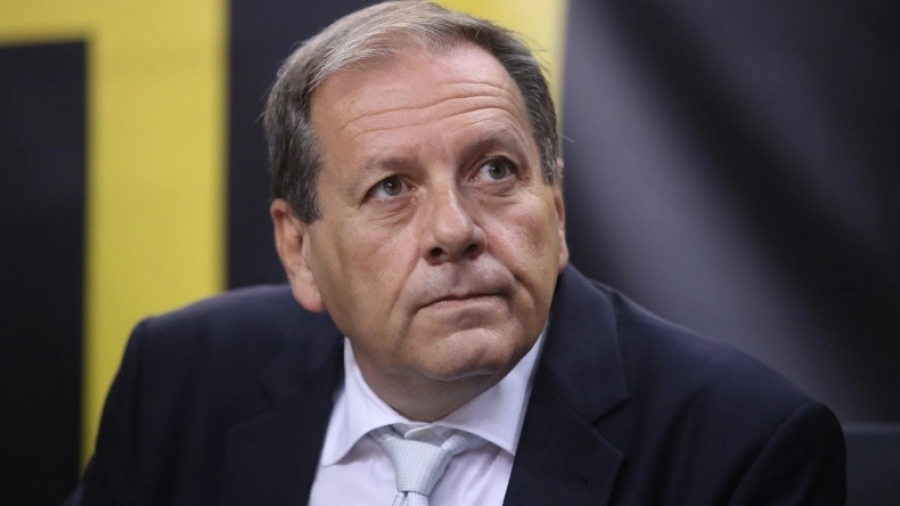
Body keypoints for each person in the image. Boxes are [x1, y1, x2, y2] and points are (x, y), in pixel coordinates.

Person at [69, 1, 846, 505]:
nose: (454, 228)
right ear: (299, 249)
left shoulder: (740, 450)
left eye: (495, 171)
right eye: (391, 188)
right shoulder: (183, 381)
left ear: (557, 209)